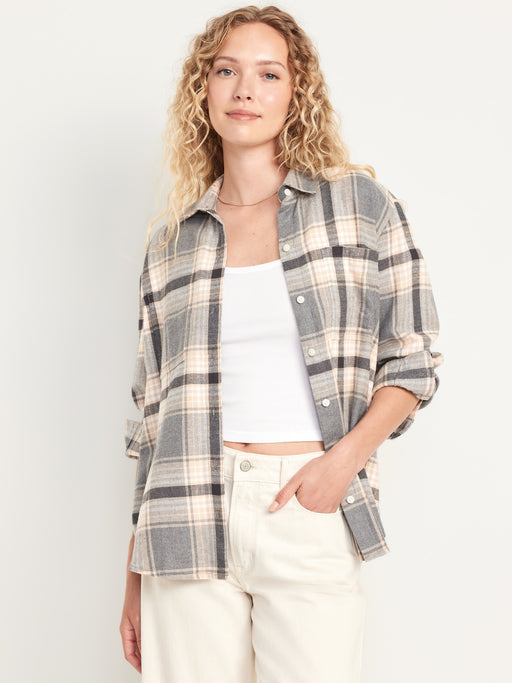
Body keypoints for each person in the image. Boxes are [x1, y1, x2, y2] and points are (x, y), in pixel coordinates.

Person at [119, 5, 444, 682]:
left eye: (269, 74)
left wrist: (341, 464)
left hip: (305, 501)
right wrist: (135, 568)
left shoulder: (360, 206)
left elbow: (412, 360)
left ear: (297, 93)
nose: (245, 90)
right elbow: (151, 416)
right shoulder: (171, 244)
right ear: (203, 89)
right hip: (184, 510)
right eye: (226, 71)